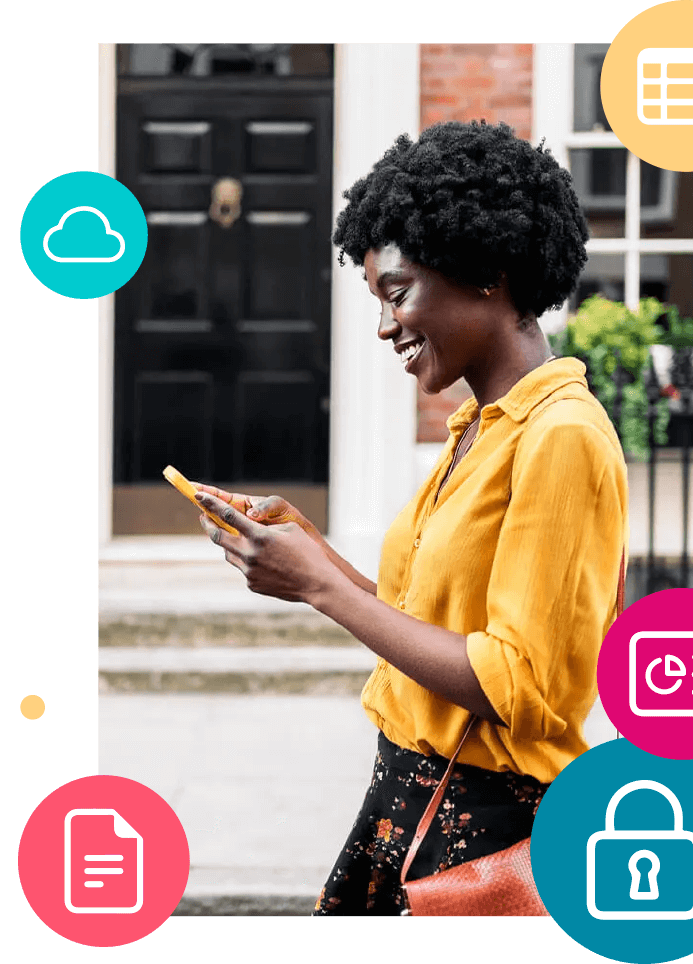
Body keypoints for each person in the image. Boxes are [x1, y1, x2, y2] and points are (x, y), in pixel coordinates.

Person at [193, 121, 628, 916]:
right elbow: (429, 621)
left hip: (482, 826)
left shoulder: (560, 434)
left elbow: (522, 687)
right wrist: (311, 558)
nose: (386, 324)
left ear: (487, 272)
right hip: (407, 802)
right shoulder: (481, 426)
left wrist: (327, 590)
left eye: (397, 292)